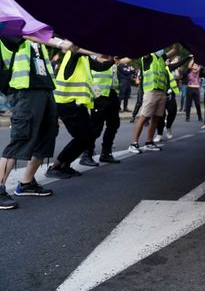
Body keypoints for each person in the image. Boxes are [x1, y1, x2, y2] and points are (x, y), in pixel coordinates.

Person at [0, 36, 73, 210]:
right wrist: (59, 43)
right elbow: (26, 33)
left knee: (48, 135)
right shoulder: (12, 32)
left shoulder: (37, 39)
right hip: (25, 92)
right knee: (21, 137)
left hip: (45, 89)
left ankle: (26, 183)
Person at [46, 50, 114, 177]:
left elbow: (100, 67)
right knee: (81, 137)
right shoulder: (74, 54)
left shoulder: (85, 59)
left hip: (78, 104)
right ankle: (55, 167)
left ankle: (66, 165)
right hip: (67, 103)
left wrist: (113, 59)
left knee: (88, 137)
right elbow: (78, 49)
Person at [128, 47, 191, 153]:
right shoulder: (148, 56)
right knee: (144, 117)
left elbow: (175, 50)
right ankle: (133, 144)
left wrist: (177, 38)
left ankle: (149, 142)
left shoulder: (161, 58)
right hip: (151, 91)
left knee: (156, 119)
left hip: (161, 92)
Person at [87, 56, 128, 165]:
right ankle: (87, 154)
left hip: (111, 94)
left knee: (114, 124)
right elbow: (88, 78)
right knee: (96, 128)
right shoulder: (92, 58)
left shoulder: (112, 58)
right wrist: (96, 95)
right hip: (98, 95)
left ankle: (106, 153)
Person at [155, 63, 181, 141]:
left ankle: (168, 127)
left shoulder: (168, 68)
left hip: (170, 94)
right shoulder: (155, 67)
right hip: (159, 94)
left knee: (173, 111)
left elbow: (177, 65)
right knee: (161, 115)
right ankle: (159, 134)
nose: (166, 61)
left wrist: (189, 57)